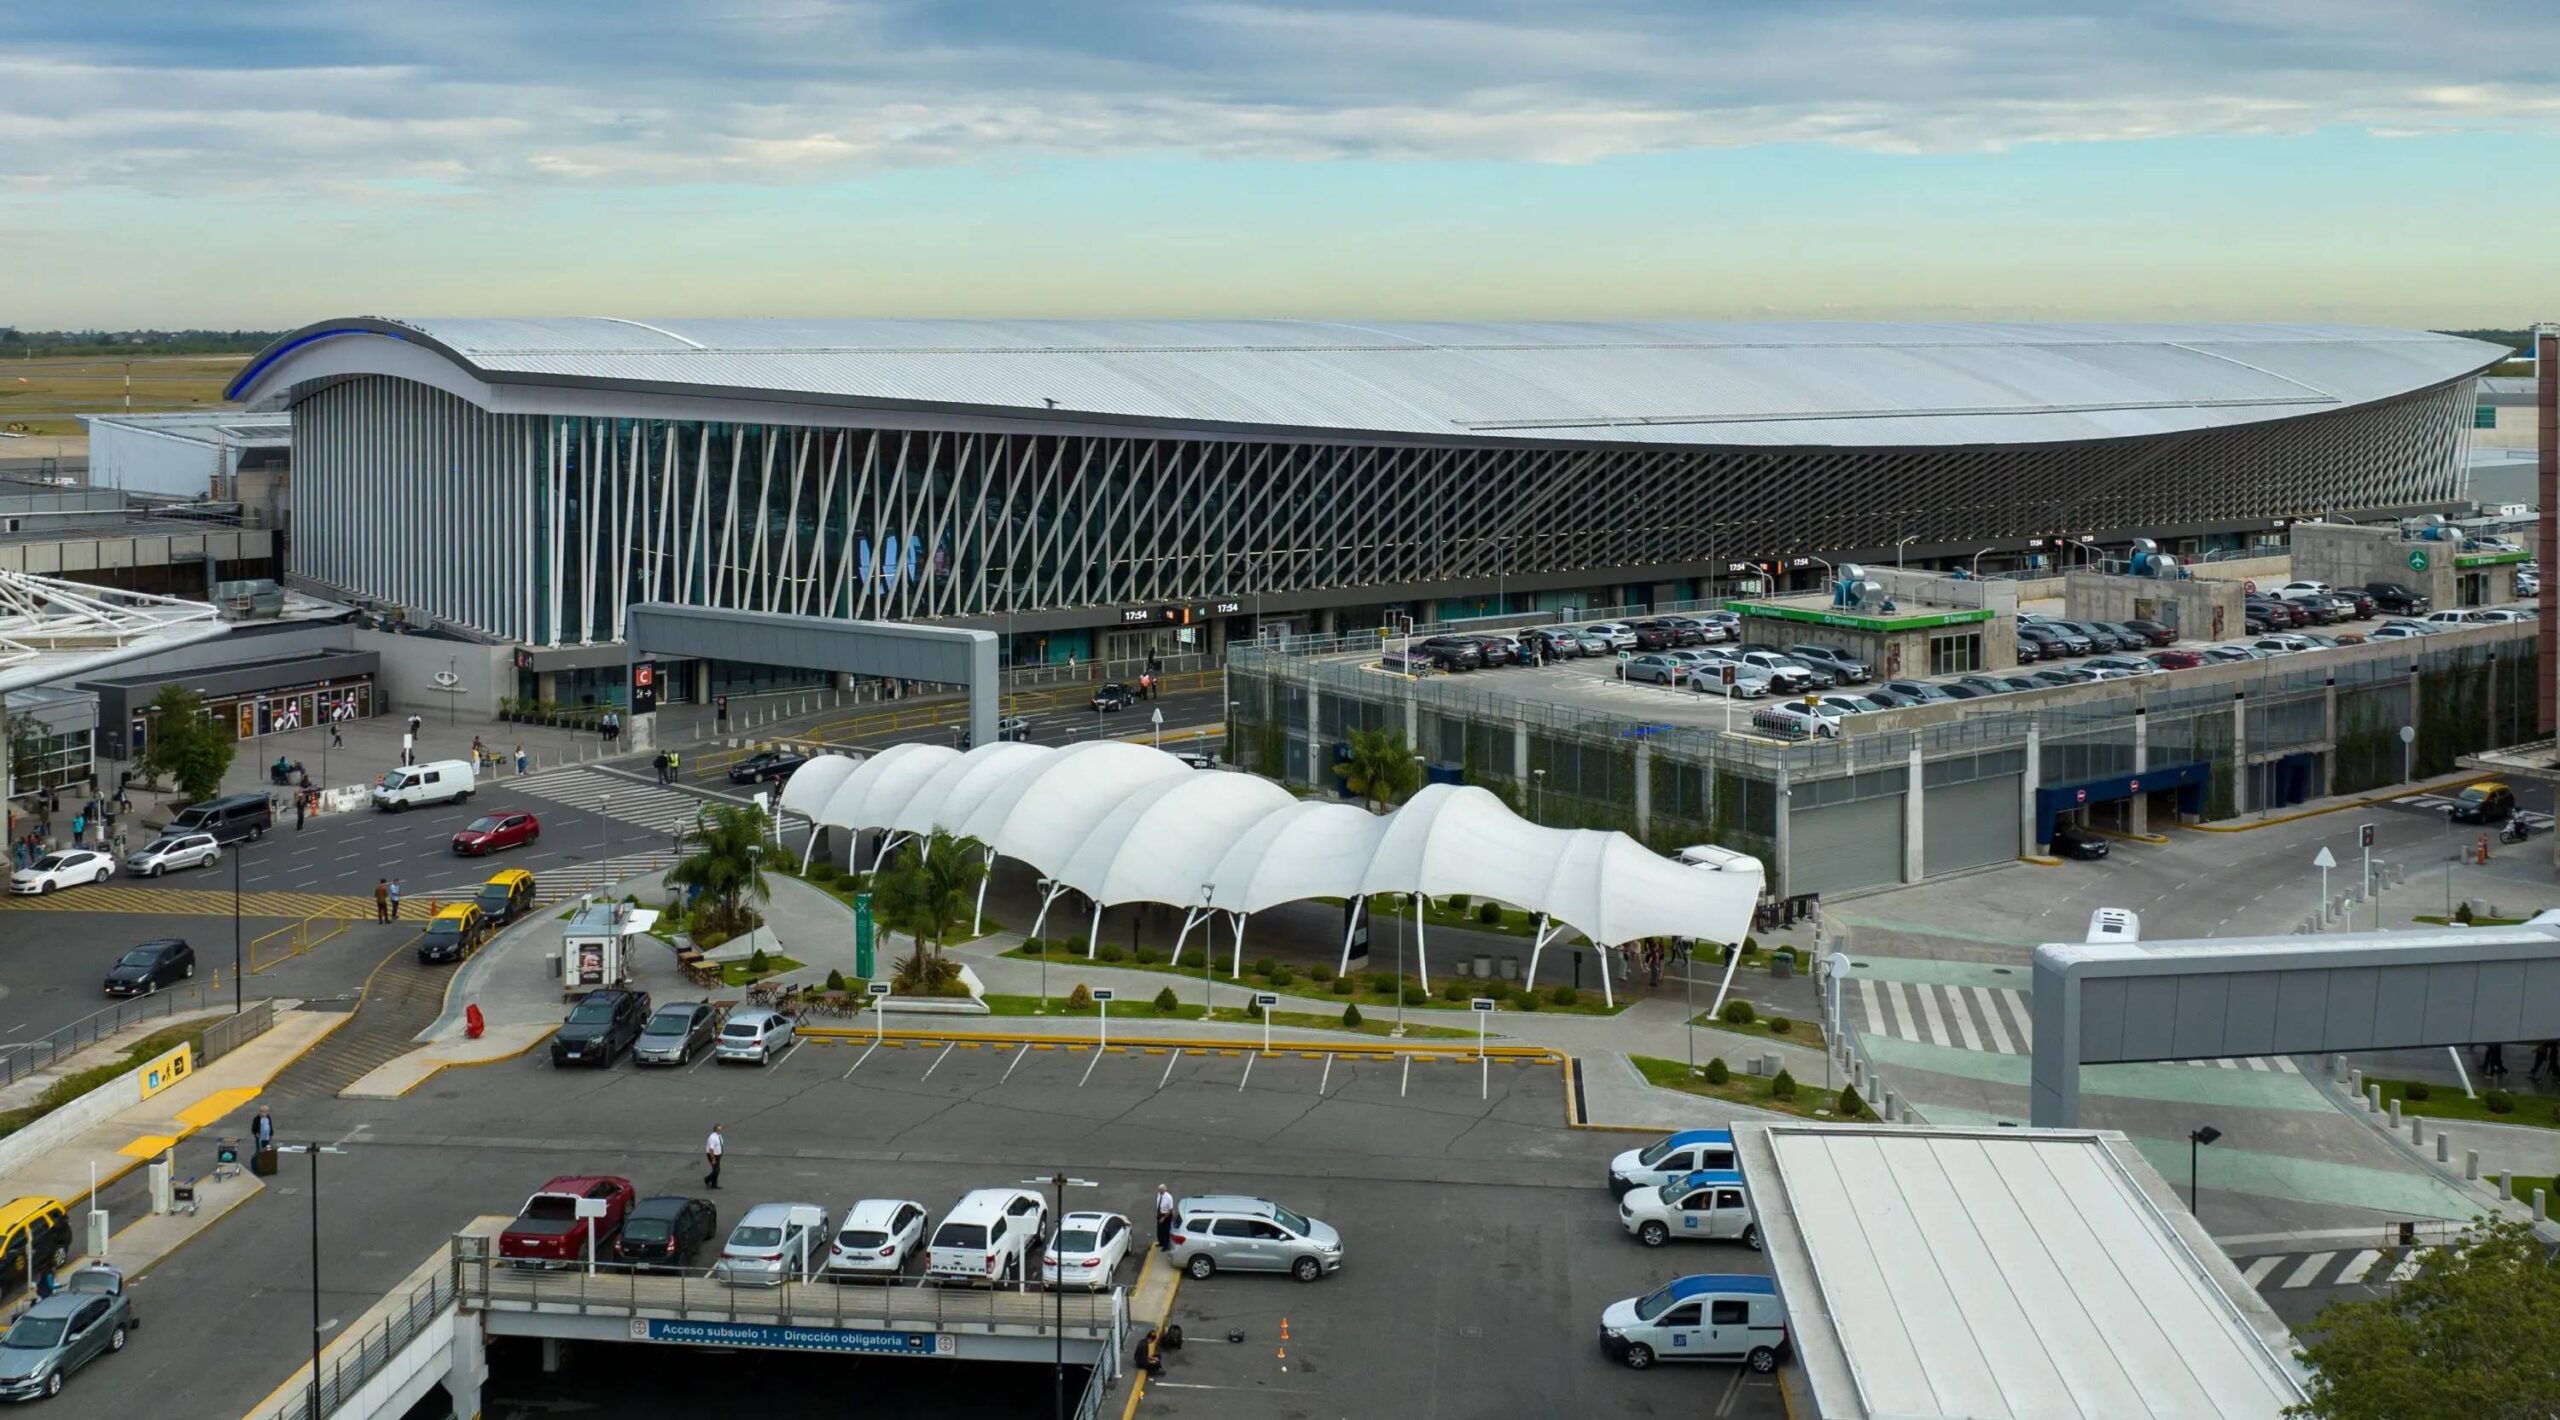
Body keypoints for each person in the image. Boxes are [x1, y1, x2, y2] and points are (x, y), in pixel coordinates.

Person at [703, 1123, 725, 1189]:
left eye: (721, 1128)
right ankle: (707, 1179)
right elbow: (711, 1149)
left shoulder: (719, 1136)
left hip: (717, 1155)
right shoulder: (712, 1137)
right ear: (716, 1129)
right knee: (716, 1170)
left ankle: (714, 1184)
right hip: (712, 1155)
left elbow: (720, 1145)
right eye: (719, 1129)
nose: (720, 1130)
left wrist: (721, 1153)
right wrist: (713, 1159)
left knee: (717, 1170)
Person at [1154, 1184, 1175, 1252]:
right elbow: (1159, 1205)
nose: (1159, 1191)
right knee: (1159, 1230)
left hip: (1166, 1215)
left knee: (1165, 1231)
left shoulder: (1169, 1197)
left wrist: (1163, 1218)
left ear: (1164, 1189)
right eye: (1159, 1190)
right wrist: (1158, 1214)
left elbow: (1170, 1210)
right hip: (1160, 1214)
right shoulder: (1159, 1195)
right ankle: (1161, 1242)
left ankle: (1166, 1246)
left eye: (1161, 1190)